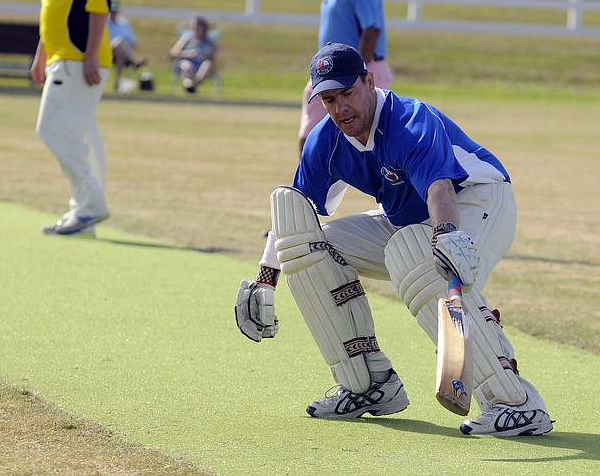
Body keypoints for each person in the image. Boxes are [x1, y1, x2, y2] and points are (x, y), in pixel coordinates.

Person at [235, 43, 553, 436]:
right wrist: (267, 277)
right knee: (315, 244)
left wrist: (447, 237)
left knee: (414, 253)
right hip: (410, 222)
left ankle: (516, 403)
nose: (340, 108)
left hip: (477, 200)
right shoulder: (326, 141)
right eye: (329, 99)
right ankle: (369, 382)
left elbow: (440, 188)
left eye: (347, 93)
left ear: (369, 82)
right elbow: (297, 211)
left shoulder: (409, 121)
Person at [31, 0, 111, 237]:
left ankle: (90, 206)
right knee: (78, 135)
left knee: (52, 129)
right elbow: (54, 10)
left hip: (79, 61)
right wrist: (41, 55)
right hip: (61, 59)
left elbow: (99, 5)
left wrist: (91, 55)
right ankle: (84, 217)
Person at [298, 0, 393, 155]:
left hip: (356, 74)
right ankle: (306, 193)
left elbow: (371, 29)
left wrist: (357, 77)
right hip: (332, 73)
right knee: (312, 142)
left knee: (372, 149)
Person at [169, 15, 217, 94]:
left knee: (207, 65)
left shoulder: (209, 39)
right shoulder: (187, 37)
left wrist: (206, 54)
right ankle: (190, 86)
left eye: (198, 26)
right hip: (188, 61)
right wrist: (189, 53)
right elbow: (173, 52)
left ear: (203, 27)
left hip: (202, 63)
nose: (195, 29)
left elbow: (217, 53)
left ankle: (192, 86)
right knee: (188, 66)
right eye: (193, 26)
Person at [107, 0, 145, 90]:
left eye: (115, 11)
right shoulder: (104, 22)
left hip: (121, 53)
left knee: (120, 52)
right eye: (112, 11)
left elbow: (133, 42)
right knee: (118, 41)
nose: (113, 14)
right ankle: (134, 61)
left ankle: (117, 82)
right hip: (106, 50)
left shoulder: (124, 24)